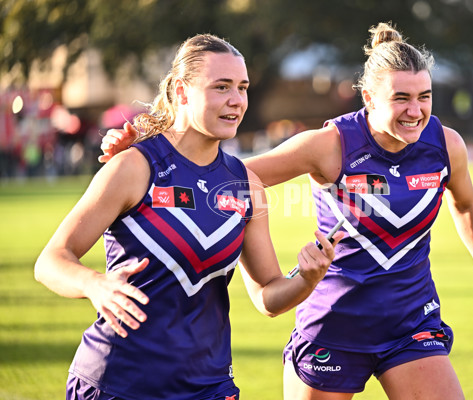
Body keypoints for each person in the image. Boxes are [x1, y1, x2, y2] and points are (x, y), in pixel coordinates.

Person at [99, 22, 473, 400]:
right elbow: (235, 176)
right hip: (335, 323)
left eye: (425, 97)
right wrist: (144, 156)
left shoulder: (445, 146)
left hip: (411, 321)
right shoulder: (331, 145)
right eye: (402, 99)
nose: (416, 111)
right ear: (370, 98)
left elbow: (466, 207)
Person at [35, 33, 343, 400]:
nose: (236, 100)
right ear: (181, 92)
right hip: (120, 384)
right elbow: (51, 261)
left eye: (242, 88)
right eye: (221, 87)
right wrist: (93, 284)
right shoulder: (134, 167)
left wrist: (307, 280)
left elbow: (267, 296)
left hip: (209, 387)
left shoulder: (246, 183)